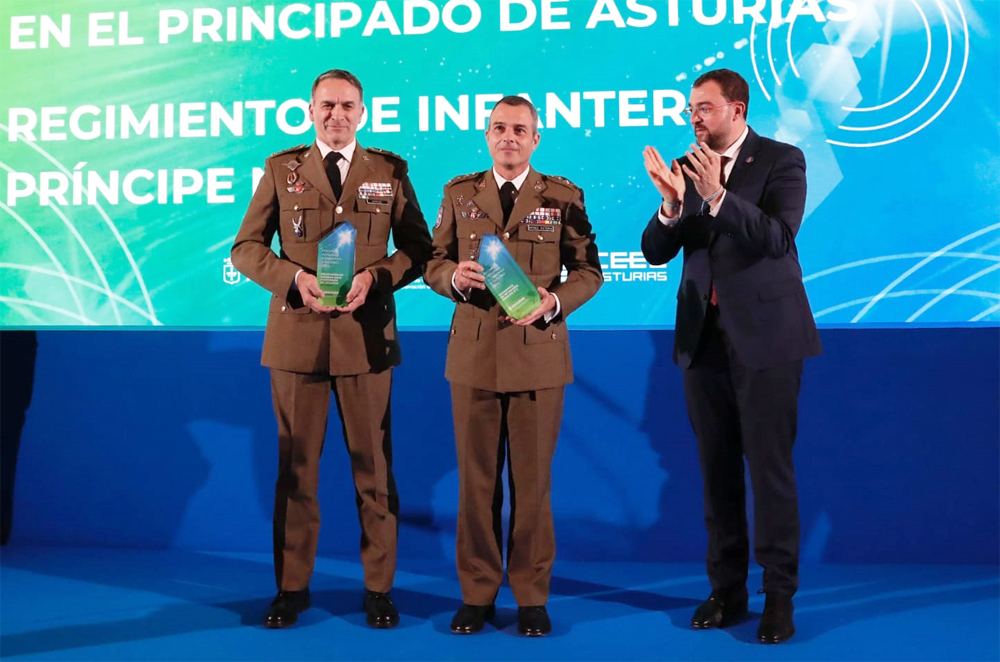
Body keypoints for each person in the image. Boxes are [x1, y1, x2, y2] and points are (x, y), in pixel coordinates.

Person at [231, 68, 432, 630]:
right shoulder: (281, 169)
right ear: (310, 109)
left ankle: (378, 589)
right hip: (297, 343)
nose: (336, 115)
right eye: (326, 105)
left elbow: (418, 248)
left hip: (365, 342)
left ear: (362, 113)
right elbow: (246, 248)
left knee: (374, 471)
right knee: (297, 472)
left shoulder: (388, 171)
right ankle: (291, 589)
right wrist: (294, 279)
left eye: (347, 106)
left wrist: (377, 277)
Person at [640, 68, 821, 644]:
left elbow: (776, 238)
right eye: (690, 109)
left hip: (767, 339)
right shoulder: (690, 166)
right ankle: (726, 589)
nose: (695, 117)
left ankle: (779, 595)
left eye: (705, 108)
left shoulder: (782, 159)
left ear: (737, 110)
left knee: (768, 470)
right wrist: (672, 206)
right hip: (704, 339)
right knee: (715, 471)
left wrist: (717, 196)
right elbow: (653, 252)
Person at [424, 96, 602, 637]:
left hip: (537, 358)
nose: (509, 137)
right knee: (476, 485)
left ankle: (530, 596)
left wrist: (554, 304)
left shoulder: (563, 196)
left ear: (536, 138)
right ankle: (477, 592)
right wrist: (454, 277)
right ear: (487, 134)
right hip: (474, 356)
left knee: (533, 485)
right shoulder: (460, 193)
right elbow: (433, 261)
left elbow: (588, 271)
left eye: (520, 129)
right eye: (499, 128)